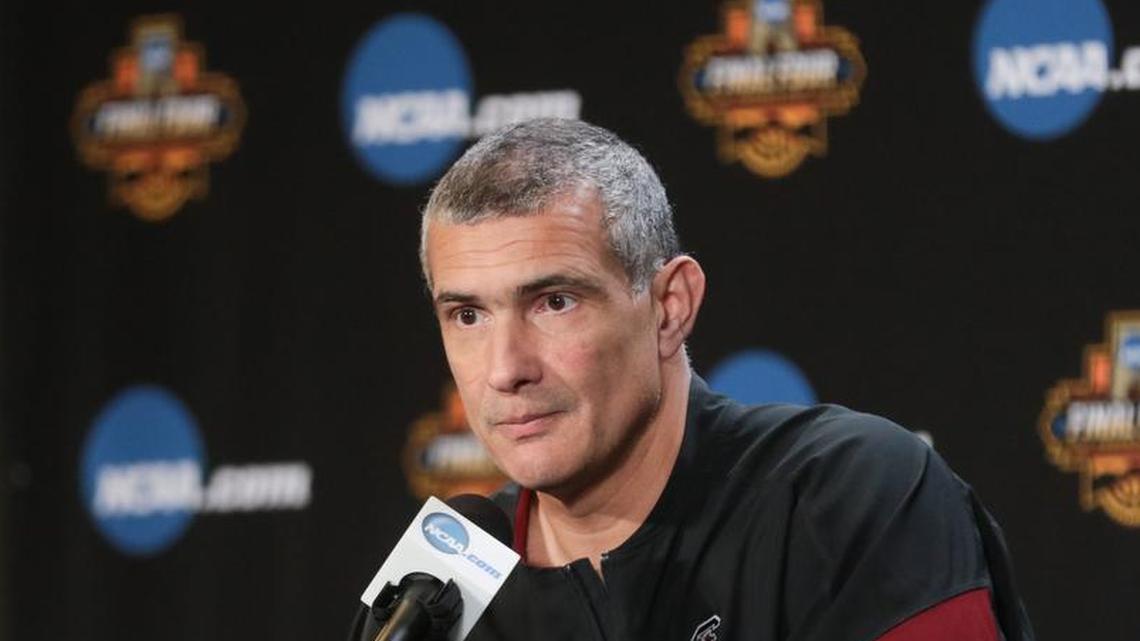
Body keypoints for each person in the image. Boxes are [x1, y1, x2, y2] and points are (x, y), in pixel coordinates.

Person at [351, 119, 1035, 640]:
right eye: (467, 314)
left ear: (669, 306)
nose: (505, 368)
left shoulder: (847, 495)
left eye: (554, 301)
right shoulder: (432, 596)